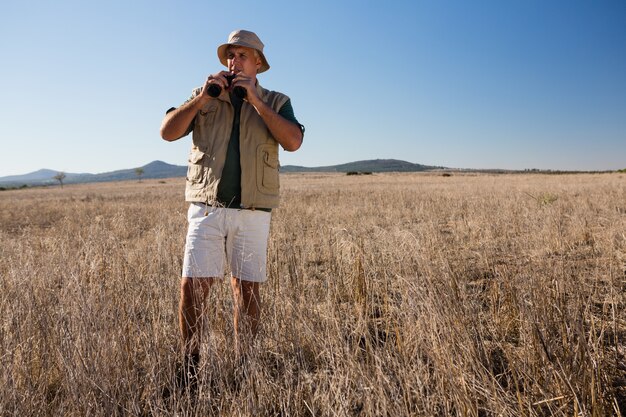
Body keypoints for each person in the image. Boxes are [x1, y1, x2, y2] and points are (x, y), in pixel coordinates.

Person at [160, 29, 304, 389]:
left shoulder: (276, 99)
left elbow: (294, 141)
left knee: (247, 291)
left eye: (241, 56)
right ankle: (189, 370)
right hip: (207, 208)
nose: (233, 62)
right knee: (192, 287)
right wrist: (202, 100)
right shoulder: (204, 95)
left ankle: (245, 368)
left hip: (253, 211)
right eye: (230, 56)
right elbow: (167, 131)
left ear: (258, 63)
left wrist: (256, 102)